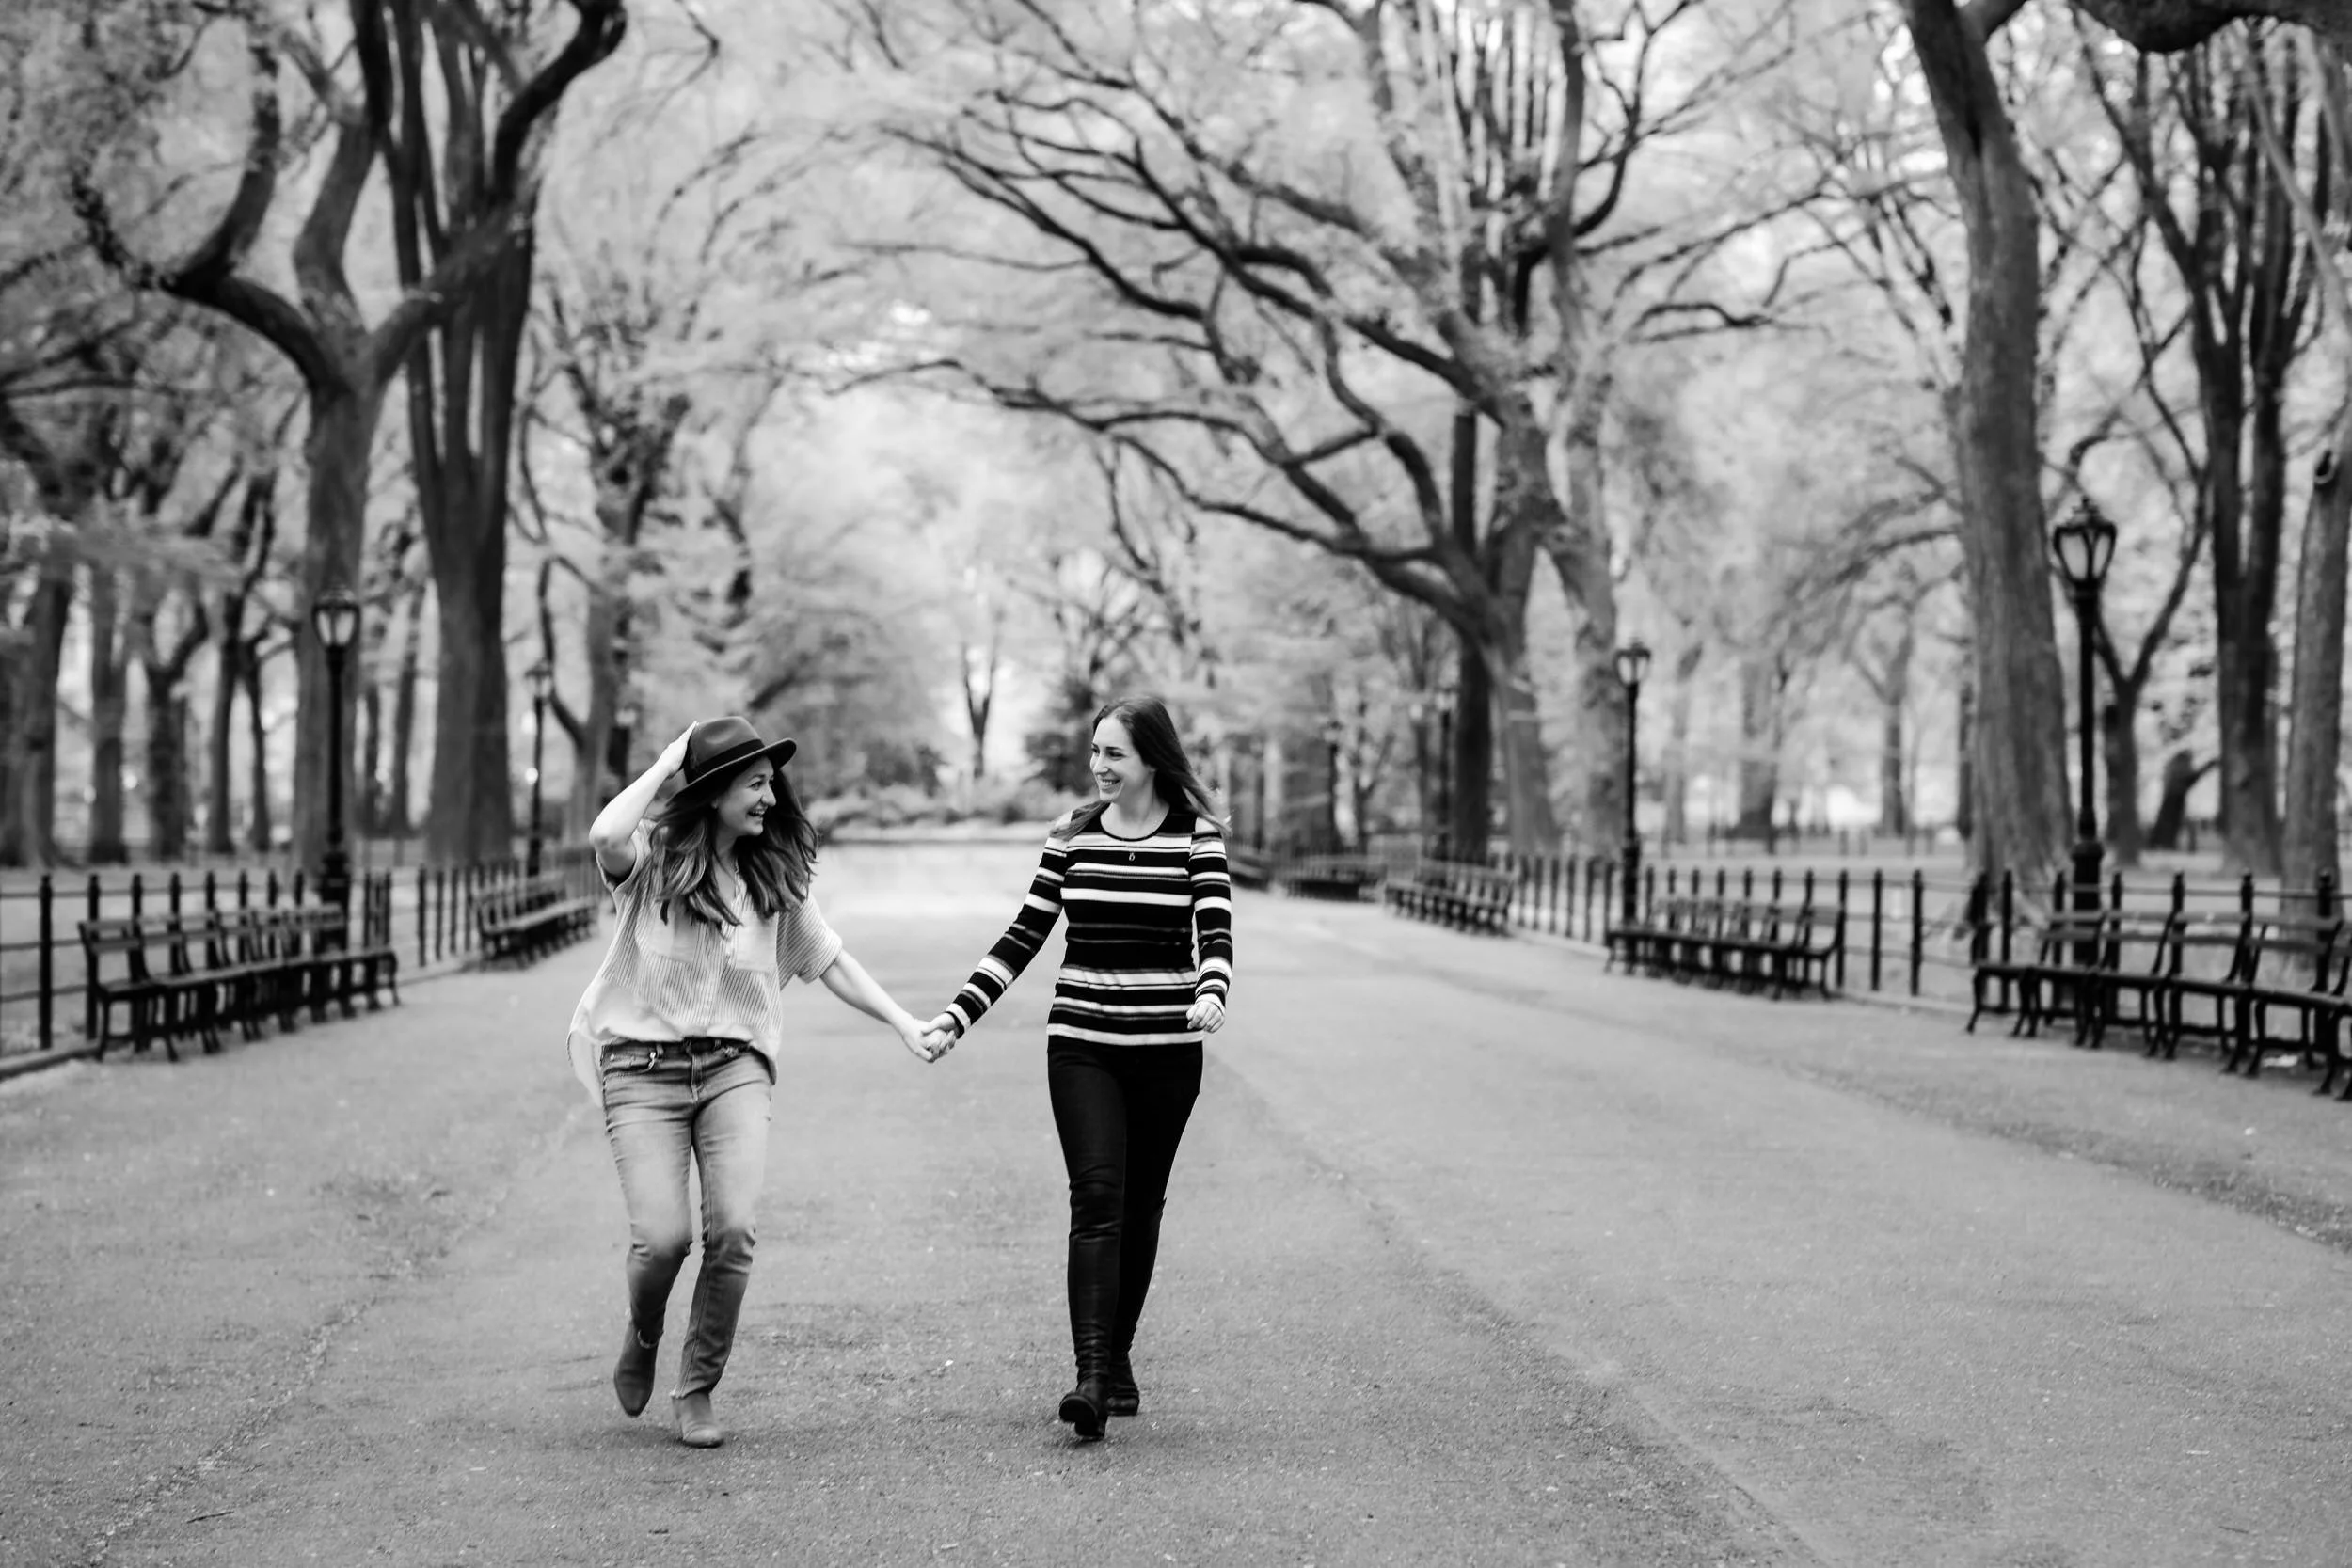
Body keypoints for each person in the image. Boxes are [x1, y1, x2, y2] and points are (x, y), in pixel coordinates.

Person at [568, 715, 937, 1449]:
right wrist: (670, 759)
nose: (771, 795)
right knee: (662, 1241)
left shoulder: (774, 878)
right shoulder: (654, 864)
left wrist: (903, 1020)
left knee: (733, 1229)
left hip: (736, 1065)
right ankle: (643, 1331)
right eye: (756, 781)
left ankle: (697, 1386)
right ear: (711, 791)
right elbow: (606, 835)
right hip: (641, 1069)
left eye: (773, 782)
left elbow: (827, 957)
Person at [923, 695, 1232, 1441]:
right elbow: (1024, 934)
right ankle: (1092, 1374)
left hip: (1166, 1049)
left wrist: (1212, 988)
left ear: (1151, 758)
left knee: (1141, 1206)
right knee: (1096, 1197)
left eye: (1114, 753)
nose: (1098, 766)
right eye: (1095, 751)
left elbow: (1215, 928)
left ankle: (1118, 1352)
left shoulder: (1197, 839)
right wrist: (958, 1013)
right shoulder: (1072, 837)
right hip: (1083, 1044)